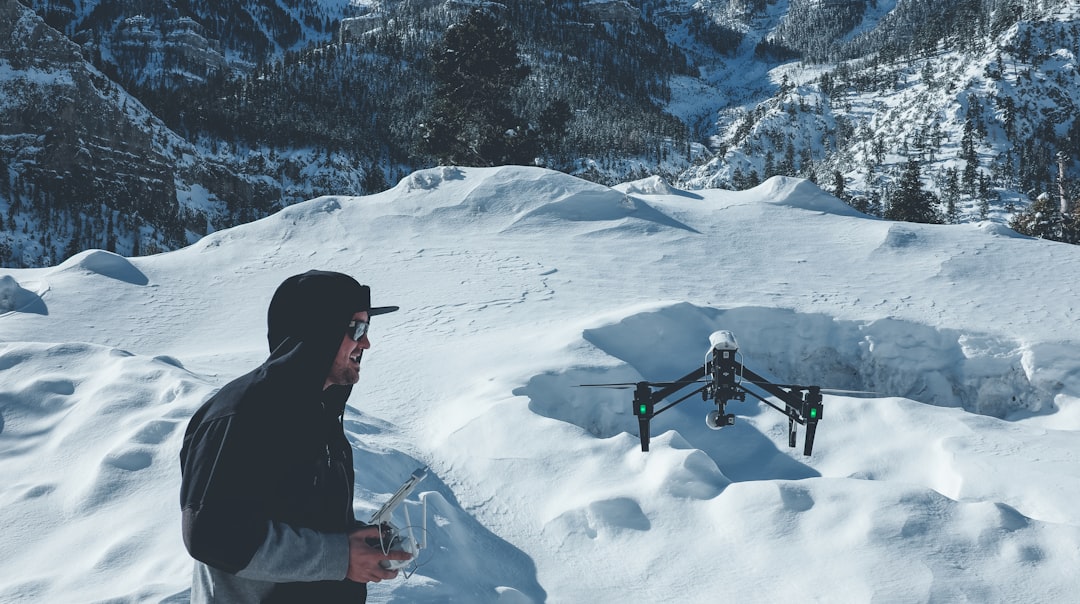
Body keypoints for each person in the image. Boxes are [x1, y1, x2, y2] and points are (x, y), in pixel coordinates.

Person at [179, 270, 411, 603]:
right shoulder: (244, 414)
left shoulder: (320, 414)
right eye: (356, 329)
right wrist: (339, 556)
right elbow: (212, 536)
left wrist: (358, 541)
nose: (366, 343)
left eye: (367, 328)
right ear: (318, 331)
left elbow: (298, 515)